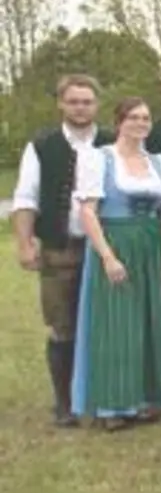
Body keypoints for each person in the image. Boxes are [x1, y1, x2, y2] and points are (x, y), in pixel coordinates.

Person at [70, 98, 161, 430]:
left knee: (150, 321)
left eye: (146, 118)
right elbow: (88, 211)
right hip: (117, 243)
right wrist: (107, 256)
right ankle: (113, 404)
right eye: (133, 117)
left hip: (150, 246)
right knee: (117, 323)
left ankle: (145, 398)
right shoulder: (99, 158)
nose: (140, 123)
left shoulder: (157, 163)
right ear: (119, 121)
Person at [10, 73, 114, 426]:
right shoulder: (43, 145)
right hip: (60, 246)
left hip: (105, 248)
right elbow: (25, 197)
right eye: (73, 101)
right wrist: (25, 243)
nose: (81, 108)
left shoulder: (112, 142)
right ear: (61, 104)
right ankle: (65, 403)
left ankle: (105, 397)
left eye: (87, 101)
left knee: (106, 322)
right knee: (62, 325)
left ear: (97, 105)